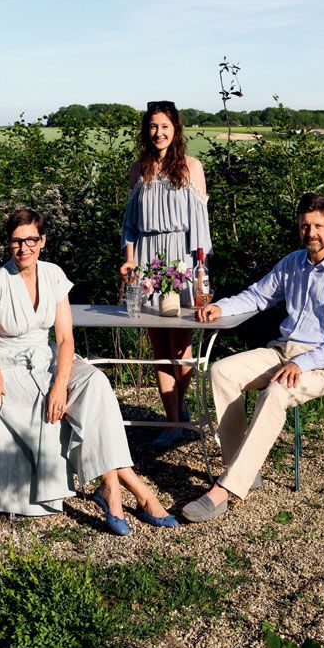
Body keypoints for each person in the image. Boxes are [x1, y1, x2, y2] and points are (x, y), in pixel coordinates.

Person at [0, 208, 178, 534]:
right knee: (49, 402)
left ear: (43, 240)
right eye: (16, 242)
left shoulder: (53, 275)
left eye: (31, 240)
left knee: (95, 382)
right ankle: (134, 490)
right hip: (6, 364)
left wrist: (62, 381)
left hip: (46, 355)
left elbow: (65, 338)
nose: (24, 248)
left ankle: (111, 487)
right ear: (9, 244)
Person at [182, 193, 324, 522]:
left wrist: (303, 364)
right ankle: (242, 467)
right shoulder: (293, 262)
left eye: (318, 226)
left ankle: (225, 490)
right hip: (283, 351)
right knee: (221, 371)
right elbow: (257, 296)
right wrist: (221, 307)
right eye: (304, 225)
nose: (310, 232)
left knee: (275, 392)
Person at [120, 100, 213, 449]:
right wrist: (129, 262)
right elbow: (129, 225)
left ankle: (182, 408)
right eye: (153, 127)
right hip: (146, 261)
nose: (158, 133)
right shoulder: (138, 169)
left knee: (182, 348)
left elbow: (200, 229)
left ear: (176, 131)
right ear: (147, 130)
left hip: (182, 262)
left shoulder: (191, 167)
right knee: (159, 348)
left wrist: (201, 271)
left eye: (165, 127)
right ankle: (174, 423)